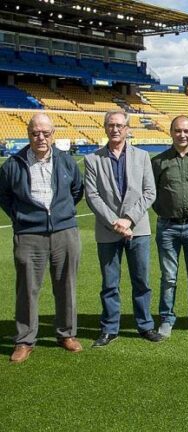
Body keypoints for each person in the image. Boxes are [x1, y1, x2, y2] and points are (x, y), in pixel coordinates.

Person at [0, 114, 84, 363]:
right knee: (27, 288)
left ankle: (66, 334)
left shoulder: (66, 161)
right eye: (36, 133)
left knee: (66, 286)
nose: (41, 138)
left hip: (64, 232)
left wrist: (61, 214)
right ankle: (25, 340)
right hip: (29, 234)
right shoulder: (13, 165)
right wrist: (20, 218)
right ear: (28, 133)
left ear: (53, 134)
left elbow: (76, 190)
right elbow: (3, 195)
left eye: (46, 133)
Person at [84, 110, 163, 347]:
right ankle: (109, 328)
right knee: (109, 283)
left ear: (127, 128)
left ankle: (145, 325)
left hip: (138, 229)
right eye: (111, 125)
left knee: (141, 281)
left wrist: (128, 219)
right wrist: (115, 222)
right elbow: (92, 196)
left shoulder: (142, 156)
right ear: (105, 127)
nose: (115, 129)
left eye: (119, 125)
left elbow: (150, 192)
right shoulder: (92, 159)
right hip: (108, 231)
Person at [151, 115, 188, 337]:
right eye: (178, 130)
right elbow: (151, 192)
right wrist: (164, 210)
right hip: (167, 227)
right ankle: (167, 318)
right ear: (171, 132)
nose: (182, 135)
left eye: (186, 131)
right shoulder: (159, 161)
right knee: (168, 277)